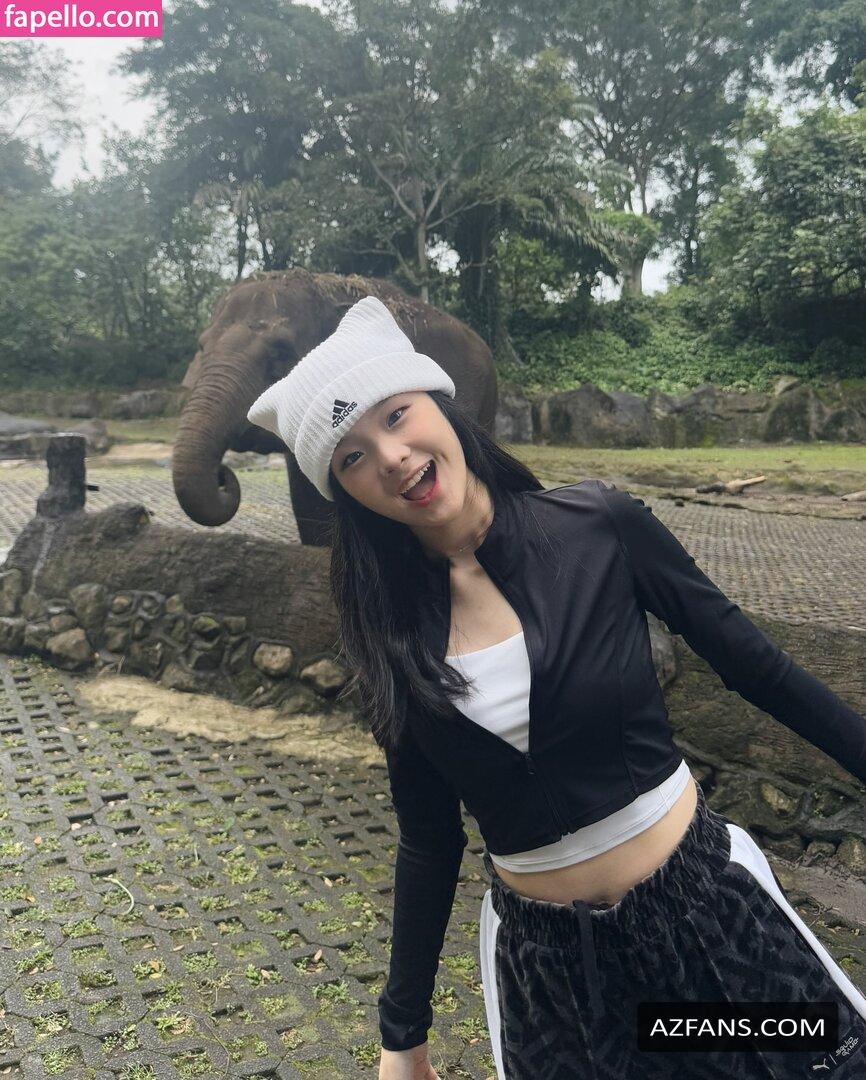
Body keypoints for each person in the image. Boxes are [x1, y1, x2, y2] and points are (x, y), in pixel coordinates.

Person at [247, 294, 866, 1080]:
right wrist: (402, 1036)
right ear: (344, 492)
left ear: (439, 402)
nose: (392, 456)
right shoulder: (386, 631)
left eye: (396, 416)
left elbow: (758, 669)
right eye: (352, 457)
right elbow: (428, 838)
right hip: (554, 980)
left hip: (708, 921)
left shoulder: (598, 526)